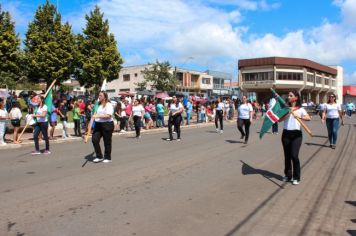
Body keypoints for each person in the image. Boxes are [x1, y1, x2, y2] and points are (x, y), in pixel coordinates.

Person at [279, 90, 311, 185]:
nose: (288, 97)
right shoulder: (285, 109)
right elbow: (279, 120)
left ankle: (296, 177)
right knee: (287, 156)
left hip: (296, 135)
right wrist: (288, 113)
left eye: (290, 95)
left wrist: (299, 116)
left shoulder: (300, 109)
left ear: (296, 98)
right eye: (288, 96)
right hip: (286, 134)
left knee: (294, 155)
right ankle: (288, 175)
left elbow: (308, 118)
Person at [92, 91, 114, 163]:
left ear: (105, 97)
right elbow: (94, 114)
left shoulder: (108, 105)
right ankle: (99, 156)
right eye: (99, 95)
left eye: (100, 95)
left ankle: (107, 157)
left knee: (107, 141)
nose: (99, 97)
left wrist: (97, 116)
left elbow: (108, 115)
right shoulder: (98, 105)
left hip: (107, 124)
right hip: (98, 124)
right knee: (94, 139)